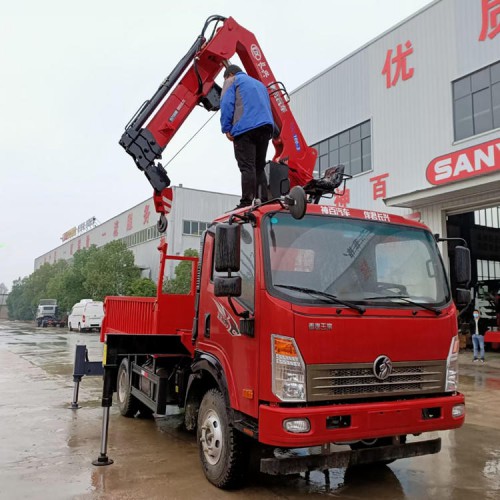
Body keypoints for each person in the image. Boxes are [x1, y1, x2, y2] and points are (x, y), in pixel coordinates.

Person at [220, 64, 274, 209]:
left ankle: (246, 202)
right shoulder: (260, 84)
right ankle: (263, 200)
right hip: (265, 127)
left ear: (229, 75)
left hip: (245, 128)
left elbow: (226, 104)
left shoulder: (232, 81)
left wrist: (226, 128)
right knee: (259, 166)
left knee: (247, 166)